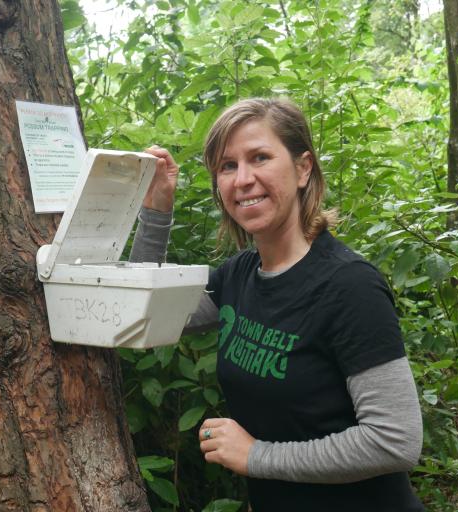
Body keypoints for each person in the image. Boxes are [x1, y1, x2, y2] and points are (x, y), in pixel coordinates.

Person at [129, 97, 424, 511]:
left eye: (260, 157)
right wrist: (156, 208)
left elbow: (395, 441)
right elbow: (143, 313)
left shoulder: (349, 286)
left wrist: (257, 456)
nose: (242, 179)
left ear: (303, 169)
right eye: (227, 166)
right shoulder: (239, 276)